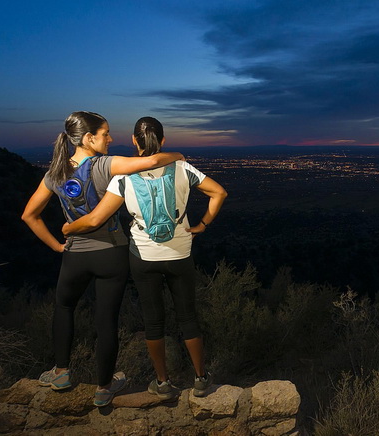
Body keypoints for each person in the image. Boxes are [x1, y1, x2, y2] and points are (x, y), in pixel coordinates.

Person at [21, 111, 185, 407]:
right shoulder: (105, 165)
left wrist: (58, 247)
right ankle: (104, 387)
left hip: (75, 256)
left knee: (64, 307)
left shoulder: (54, 174)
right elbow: (151, 161)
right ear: (88, 138)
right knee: (106, 321)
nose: (111, 139)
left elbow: (28, 215)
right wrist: (178, 153)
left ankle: (61, 372)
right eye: (106, 134)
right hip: (111, 253)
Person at [62, 116, 227, 400]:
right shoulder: (182, 168)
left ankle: (162, 383)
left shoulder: (123, 177)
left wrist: (68, 228)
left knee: (153, 321)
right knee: (188, 316)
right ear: (163, 141)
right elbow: (219, 192)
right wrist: (203, 224)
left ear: (135, 141)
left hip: (143, 255)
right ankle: (201, 378)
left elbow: (95, 219)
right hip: (180, 252)